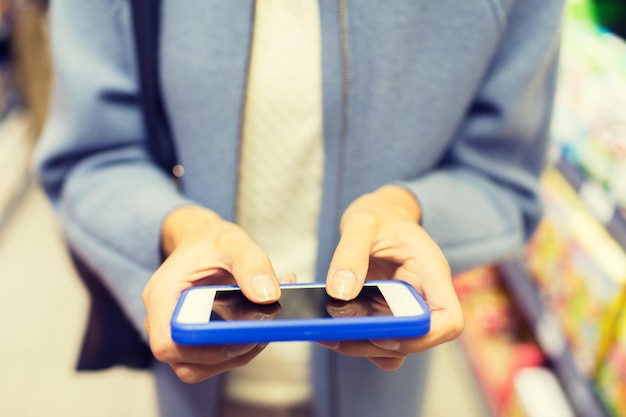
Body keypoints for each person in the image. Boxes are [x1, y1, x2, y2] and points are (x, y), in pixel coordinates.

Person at [34, 0, 565, 416]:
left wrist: (408, 210)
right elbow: (92, 156)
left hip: (382, 393)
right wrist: (179, 228)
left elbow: (502, 174)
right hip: (194, 398)